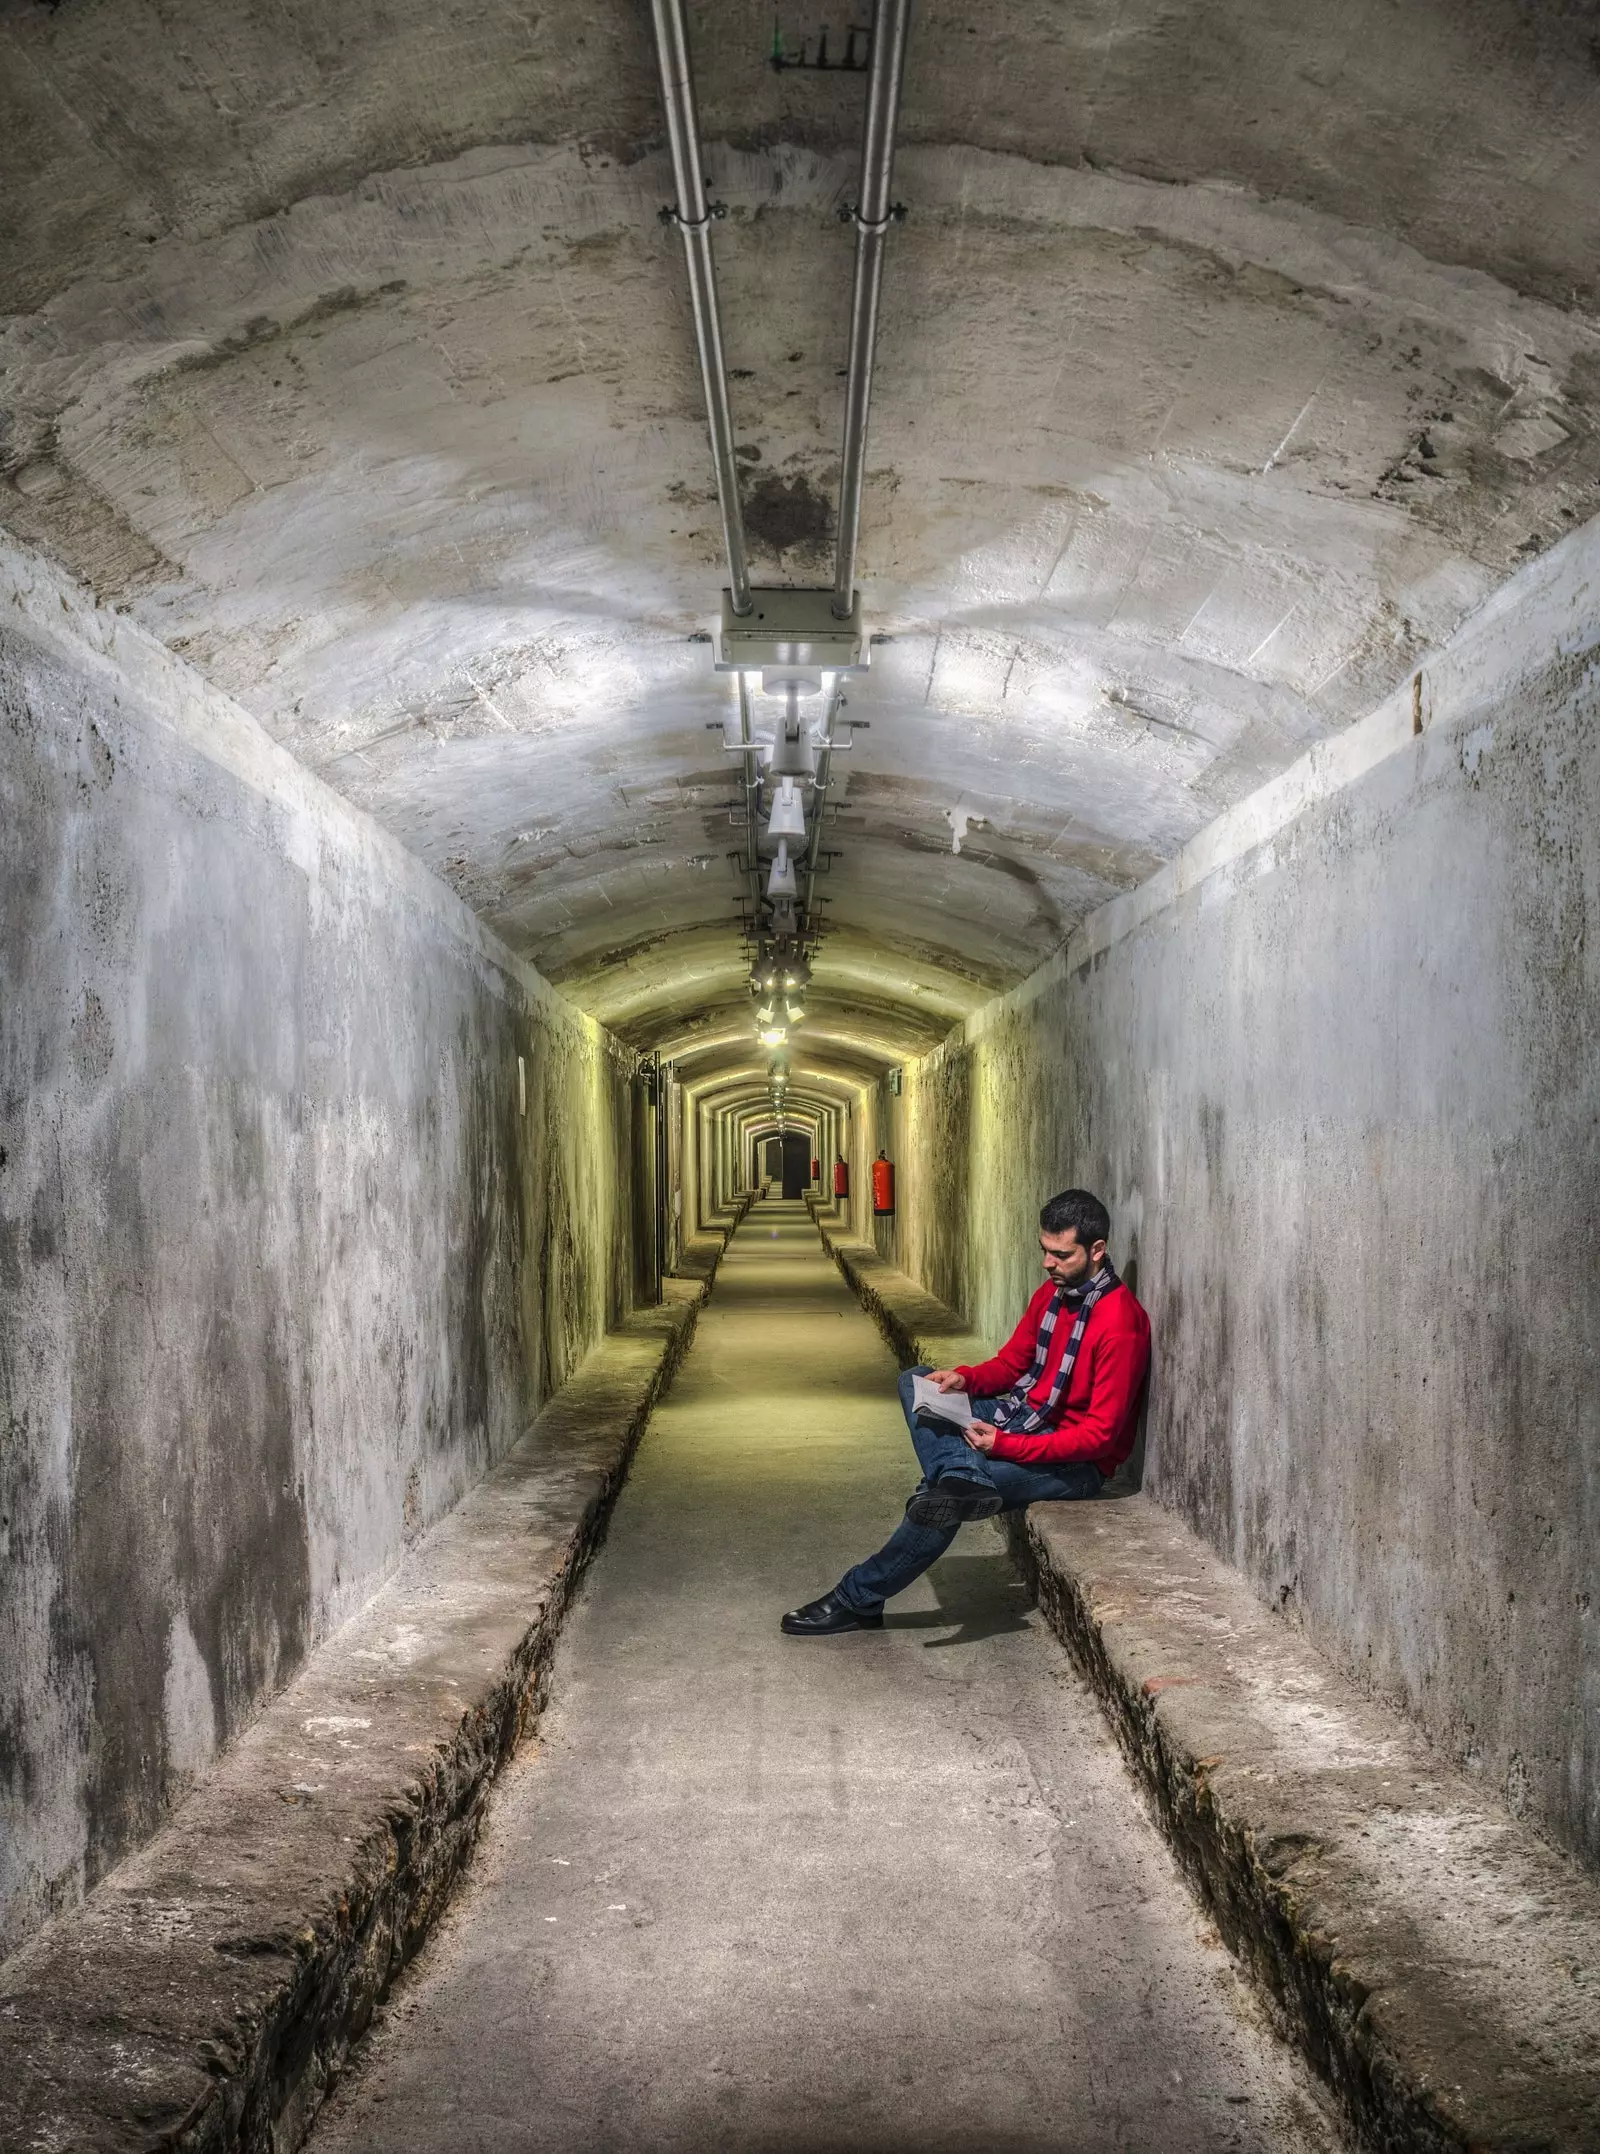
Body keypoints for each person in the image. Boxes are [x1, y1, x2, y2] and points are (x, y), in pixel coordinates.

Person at [782, 1187, 1150, 1636]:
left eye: (1060, 1254)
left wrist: (1005, 1444)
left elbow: (1100, 1438)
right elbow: (1012, 1365)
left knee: (942, 1500)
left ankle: (856, 1598)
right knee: (914, 1378)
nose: (1047, 1264)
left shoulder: (1120, 1323)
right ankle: (961, 1475)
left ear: (1097, 1250)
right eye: (1044, 1251)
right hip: (1021, 1415)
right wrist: (963, 1378)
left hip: (1073, 1464)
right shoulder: (1052, 1296)